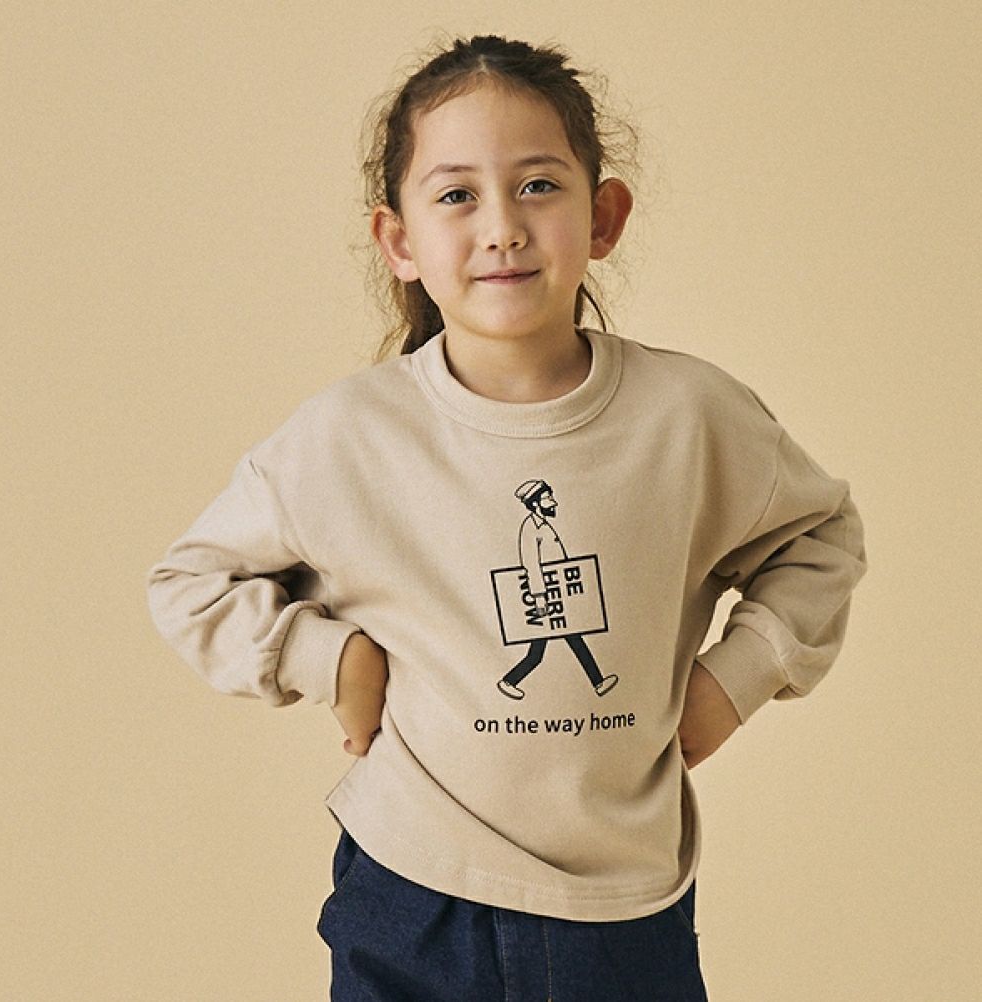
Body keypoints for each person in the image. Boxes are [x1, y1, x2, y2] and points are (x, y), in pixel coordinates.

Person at [146, 33, 868, 1001]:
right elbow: (189, 582)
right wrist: (329, 660)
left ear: (603, 215)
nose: (502, 227)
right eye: (456, 195)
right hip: (413, 890)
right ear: (400, 242)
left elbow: (821, 535)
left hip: (628, 902)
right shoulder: (350, 436)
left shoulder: (690, 416)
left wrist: (736, 680)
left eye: (537, 186)